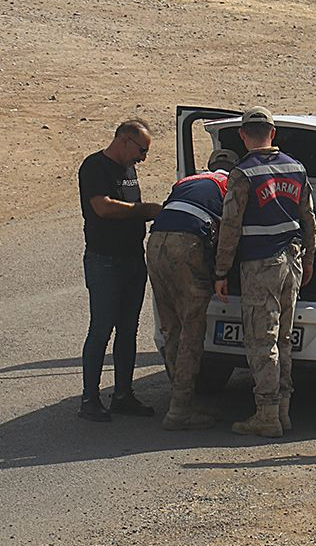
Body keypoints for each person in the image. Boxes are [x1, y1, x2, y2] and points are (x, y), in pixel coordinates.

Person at [214, 106, 316, 438]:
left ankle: (266, 414)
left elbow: (229, 226)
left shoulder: (242, 174)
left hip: (261, 265)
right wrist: (310, 259)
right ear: (273, 133)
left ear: (244, 136)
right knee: (283, 339)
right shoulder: (296, 168)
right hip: (293, 261)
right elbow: (310, 221)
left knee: (262, 340)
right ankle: (283, 411)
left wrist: (220, 271)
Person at [146, 148, 239, 430]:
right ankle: (180, 410)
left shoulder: (187, 181)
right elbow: (230, 232)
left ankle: (178, 398)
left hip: (156, 243)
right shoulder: (232, 184)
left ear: (209, 165)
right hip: (187, 244)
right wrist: (222, 273)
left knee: (170, 327)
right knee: (192, 328)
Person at [77, 119, 163, 422]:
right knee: (101, 329)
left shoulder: (129, 169)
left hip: (132, 259)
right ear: (125, 140)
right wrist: (146, 210)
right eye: (141, 150)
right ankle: (90, 398)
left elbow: (127, 205)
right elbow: (103, 207)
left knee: (128, 330)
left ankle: (123, 394)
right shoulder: (94, 167)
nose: (143, 158)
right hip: (105, 261)